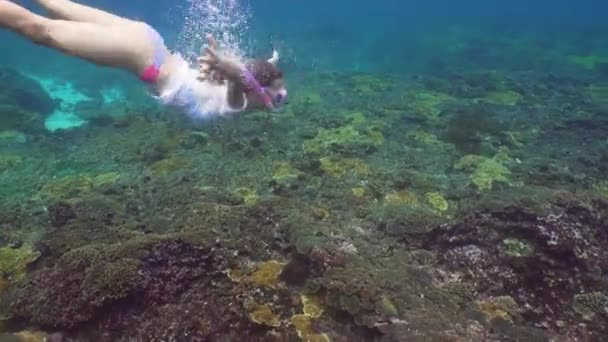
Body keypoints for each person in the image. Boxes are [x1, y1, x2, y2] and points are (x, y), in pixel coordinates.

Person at [0, 0, 287, 118]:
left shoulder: (233, 91)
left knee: (53, 5)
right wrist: (236, 69)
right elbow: (240, 77)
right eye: (280, 97)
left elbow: (243, 74)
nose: (279, 103)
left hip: (147, 41)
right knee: (39, 30)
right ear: (259, 91)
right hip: (141, 54)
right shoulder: (235, 104)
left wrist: (262, 67)